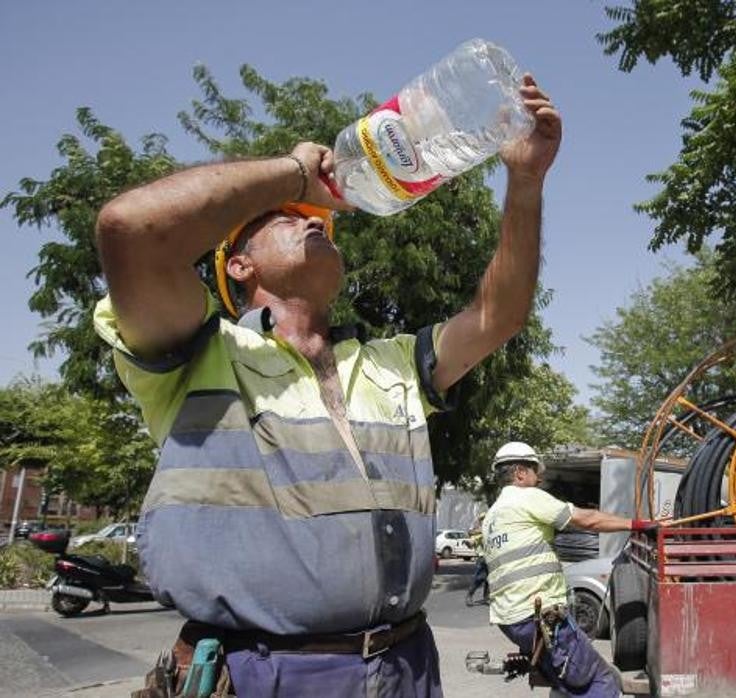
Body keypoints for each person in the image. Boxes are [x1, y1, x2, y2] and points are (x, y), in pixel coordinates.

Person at [92, 75, 560, 697]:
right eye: (290, 221)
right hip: (264, 673)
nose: (316, 225)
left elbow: (498, 317)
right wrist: (293, 173)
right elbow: (129, 228)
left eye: (320, 221)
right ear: (239, 264)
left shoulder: (390, 362)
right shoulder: (199, 352)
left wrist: (525, 182)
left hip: (405, 665)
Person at [481, 442, 654, 697]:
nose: (537, 478)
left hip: (512, 621)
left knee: (565, 683)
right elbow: (587, 519)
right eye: (533, 471)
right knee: (597, 681)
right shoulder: (526, 497)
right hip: (538, 618)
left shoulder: (493, 516)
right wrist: (638, 524)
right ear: (519, 473)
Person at [466, 513, 489, 606]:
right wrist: (468, 543)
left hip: (491, 558)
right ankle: (469, 595)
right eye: (482, 519)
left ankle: (486, 597)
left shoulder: (487, 531)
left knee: (490, 579)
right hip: (482, 558)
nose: (484, 521)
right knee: (479, 578)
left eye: (485, 518)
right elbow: (472, 542)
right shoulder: (478, 534)